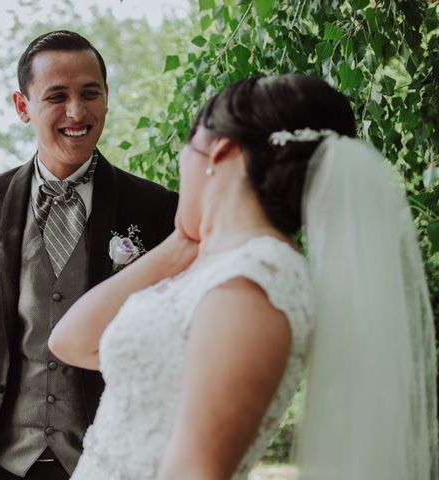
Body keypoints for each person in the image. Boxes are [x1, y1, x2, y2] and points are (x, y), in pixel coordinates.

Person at [49, 74, 438, 479]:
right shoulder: (218, 267)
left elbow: (196, 471)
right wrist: (182, 243)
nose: (183, 163)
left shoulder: (253, 282)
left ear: (220, 151)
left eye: (187, 145)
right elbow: (70, 341)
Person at [0, 30, 178, 480]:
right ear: (23, 106)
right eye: (57, 96)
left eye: (90, 94)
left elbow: (166, 343)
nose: (77, 112)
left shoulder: (155, 207)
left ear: (107, 98)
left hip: (106, 460)